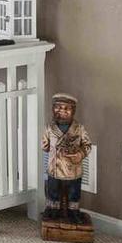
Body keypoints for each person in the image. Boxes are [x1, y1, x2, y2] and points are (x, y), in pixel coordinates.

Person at [41, 92, 93, 230]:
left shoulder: (79, 129)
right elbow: (45, 146)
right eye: (58, 107)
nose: (62, 111)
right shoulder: (49, 128)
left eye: (66, 108)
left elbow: (87, 145)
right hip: (55, 168)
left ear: (73, 111)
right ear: (53, 109)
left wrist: (80, 154)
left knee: (73, 192)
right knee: (53, 191)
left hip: (73, 169)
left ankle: (73, 212)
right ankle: (53, 210)